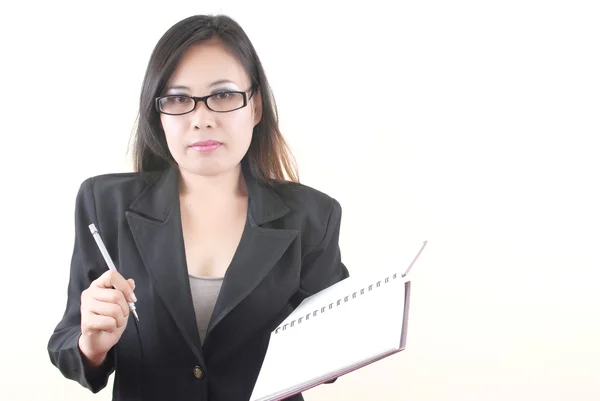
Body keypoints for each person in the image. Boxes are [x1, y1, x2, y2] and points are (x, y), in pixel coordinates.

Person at [47, 14, 349, 401]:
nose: (201, 119)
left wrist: (354, 328)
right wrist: (92, 342)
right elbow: (67, 346)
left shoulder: (314, 216)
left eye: (223, 95)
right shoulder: (104, 204)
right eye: (177, 99)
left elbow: (331, 355)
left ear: (255, 107)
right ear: (158, 114)